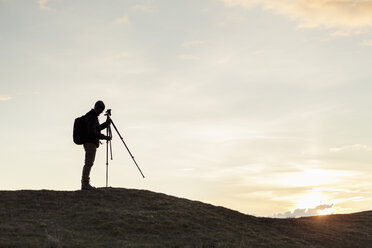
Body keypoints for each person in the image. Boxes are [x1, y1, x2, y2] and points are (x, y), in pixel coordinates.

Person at [81, 100, 111, 190]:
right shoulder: (92, 117)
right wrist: (104, 137)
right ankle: (85, 183)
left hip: (89, 142)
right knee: (89, 162)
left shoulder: (91, 116)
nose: (102, 112)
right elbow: (92, 132)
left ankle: (85, 183)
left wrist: (106, 124)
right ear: (99, 108)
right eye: (101, 110)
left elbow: (96, 129)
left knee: (89, 162)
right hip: (90, 143)